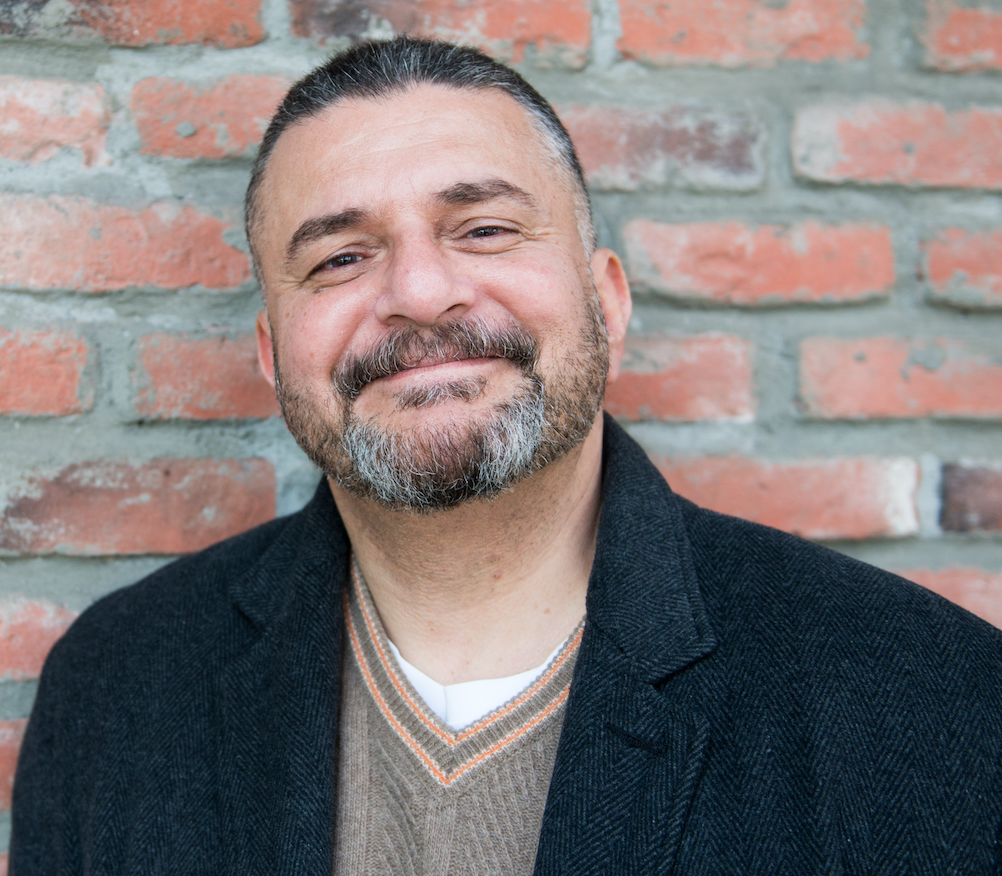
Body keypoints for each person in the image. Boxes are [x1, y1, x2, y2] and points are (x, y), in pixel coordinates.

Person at [10, 36, 1002, 875]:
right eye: (340, 257)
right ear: (273, 354)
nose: (422, 290)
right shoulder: (116, 694)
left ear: (607, 301)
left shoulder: (925, 696)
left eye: (483, 229)